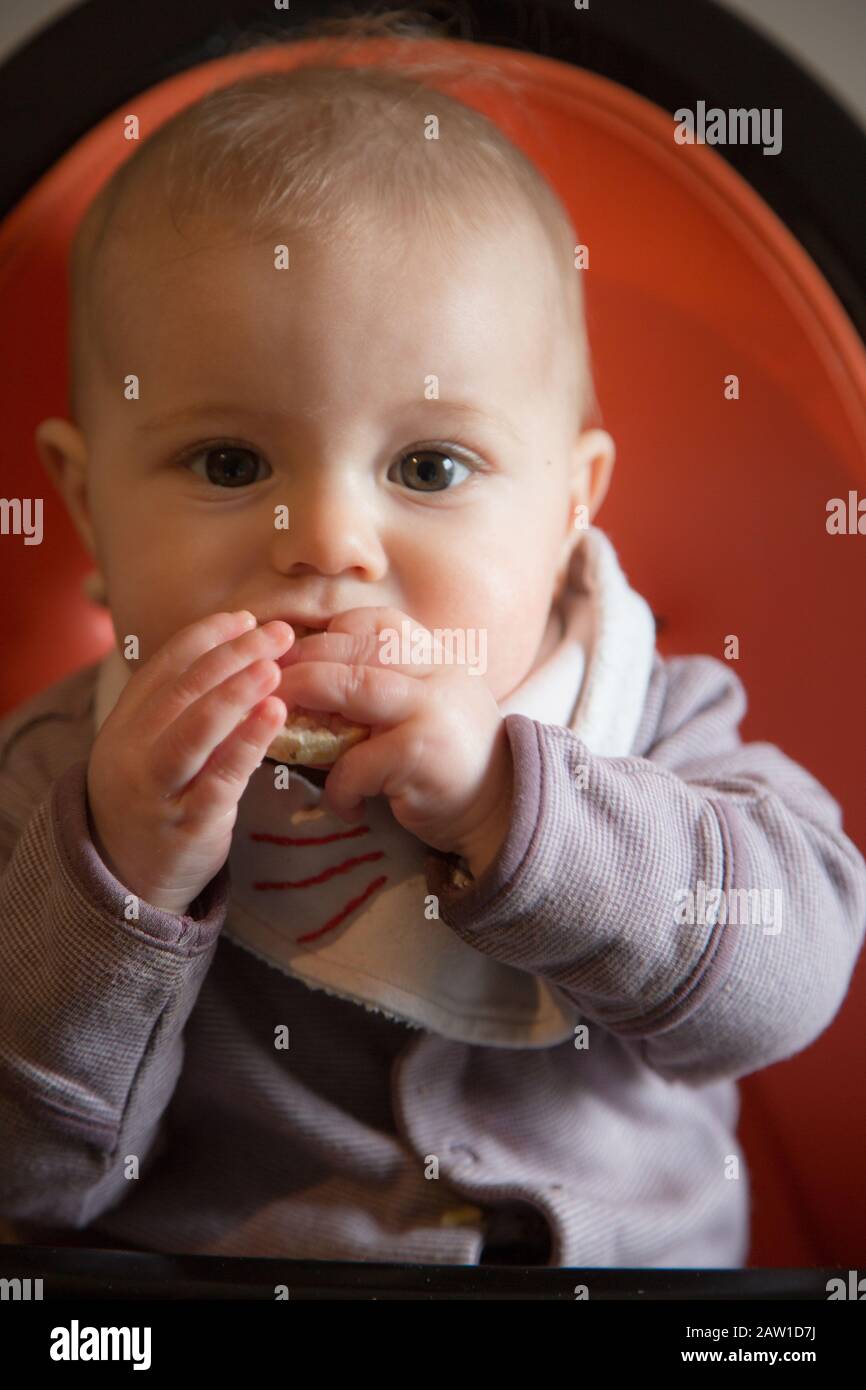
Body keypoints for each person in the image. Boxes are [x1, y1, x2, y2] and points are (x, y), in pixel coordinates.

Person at [1, 36, 864, 1268]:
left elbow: (787, 986)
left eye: (428, 466)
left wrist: (517, 807)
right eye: (231, 464)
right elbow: (28, 1179)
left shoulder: (639, 717)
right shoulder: (61, 783)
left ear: (571, 505)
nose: (329, 544)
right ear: (88, 507)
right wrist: (120, 886)